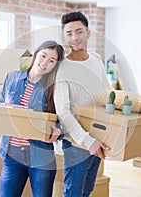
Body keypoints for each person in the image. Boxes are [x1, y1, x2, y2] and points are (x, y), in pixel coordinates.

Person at [54, 12, 112, 196]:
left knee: (88, 190)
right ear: (64, 37)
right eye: (69, 33)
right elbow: (63, 112)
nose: (74, 38)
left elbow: (108, 93)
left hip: (99, 136)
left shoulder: (96, 60)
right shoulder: (61, 67)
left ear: (88, 33)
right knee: (74, 192)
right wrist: (88, 141)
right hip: (77, 142)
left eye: (79, 32)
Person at [0, 40, 64, 197]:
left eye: (52, 60)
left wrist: (58, 131)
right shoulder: (11, 78)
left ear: (55, 65)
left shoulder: (54, 89)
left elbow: (64, 121)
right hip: (12, 155)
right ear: (36, 54)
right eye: (43, 55)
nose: (45, 62)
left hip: (41, 158)